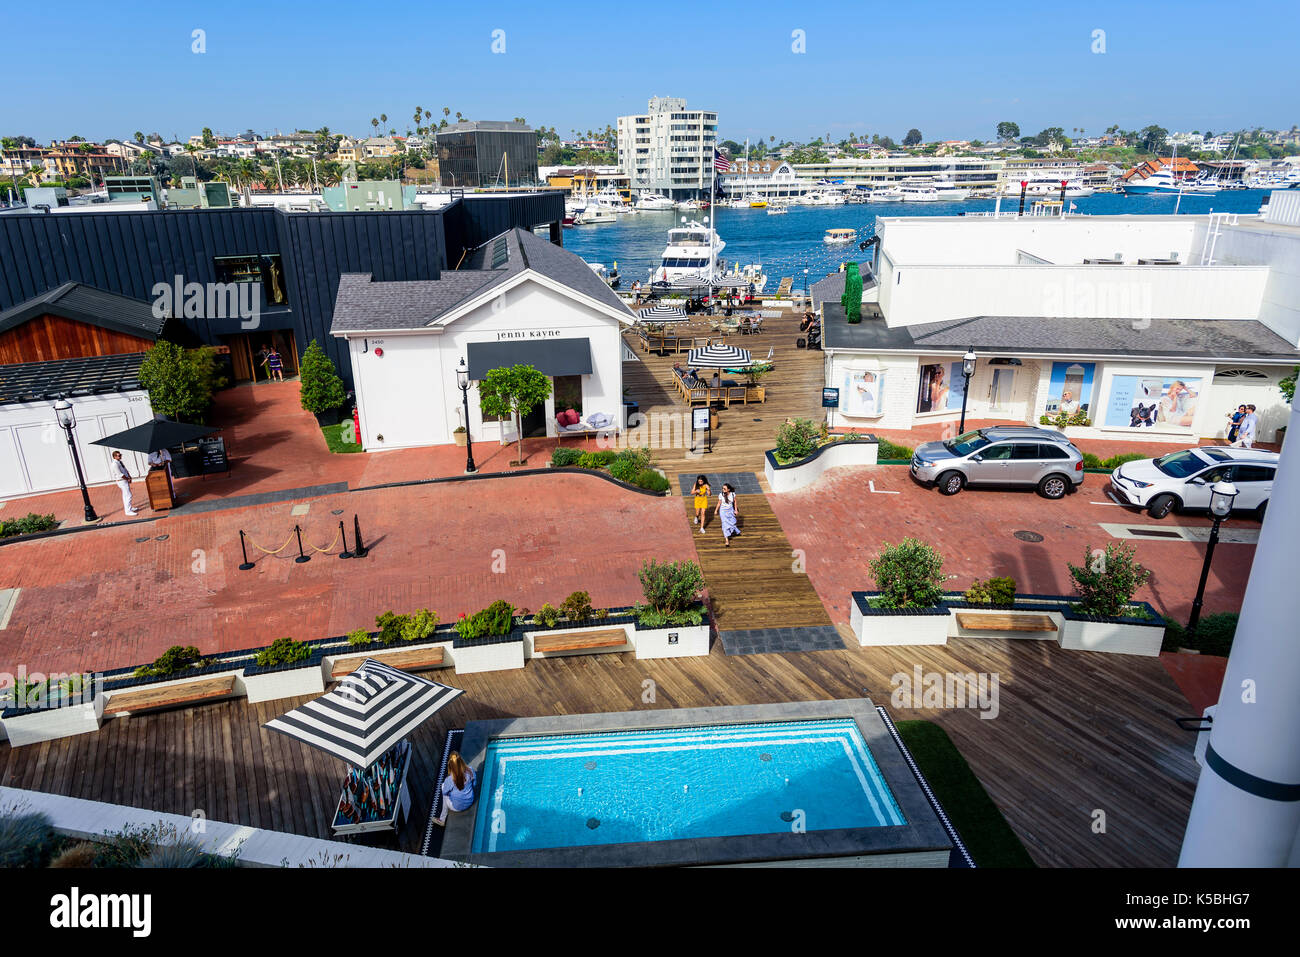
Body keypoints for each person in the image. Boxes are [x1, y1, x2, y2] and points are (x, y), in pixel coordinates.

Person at [434, 751, 477, 826]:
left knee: (443, 786)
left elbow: (444, 792)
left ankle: (442, 819)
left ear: (451, 765)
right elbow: (474, 784)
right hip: (470, 800)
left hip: (457, 807)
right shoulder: (470, 770)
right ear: (461, 761)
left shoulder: (450, 779)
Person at [112, 451, 138, 517]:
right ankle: (128, 511)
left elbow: (125, 470)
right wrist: (127, 479)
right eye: (118, 456)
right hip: (121, 481)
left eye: (120, 455)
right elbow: (120, 474)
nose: (120, 456)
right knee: (128, 495)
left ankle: (129, 508)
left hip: (124, 480)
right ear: (114, 457)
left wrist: (129, 476)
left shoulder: (119, 462)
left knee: (125, 495)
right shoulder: (115, 464)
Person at [716, 483, 740, 547]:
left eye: (724, 489)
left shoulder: (732, 494)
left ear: (728, 490)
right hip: (723, 511)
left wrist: (736, 510)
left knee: (732, 522)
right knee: (724, 524)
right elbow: (719, 503)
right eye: (722, 488)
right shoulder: (721, 495)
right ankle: (727, 540)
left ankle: (734, 530)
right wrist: (716, 510)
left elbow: (735, 502)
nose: (723, 489)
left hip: (730, 510)